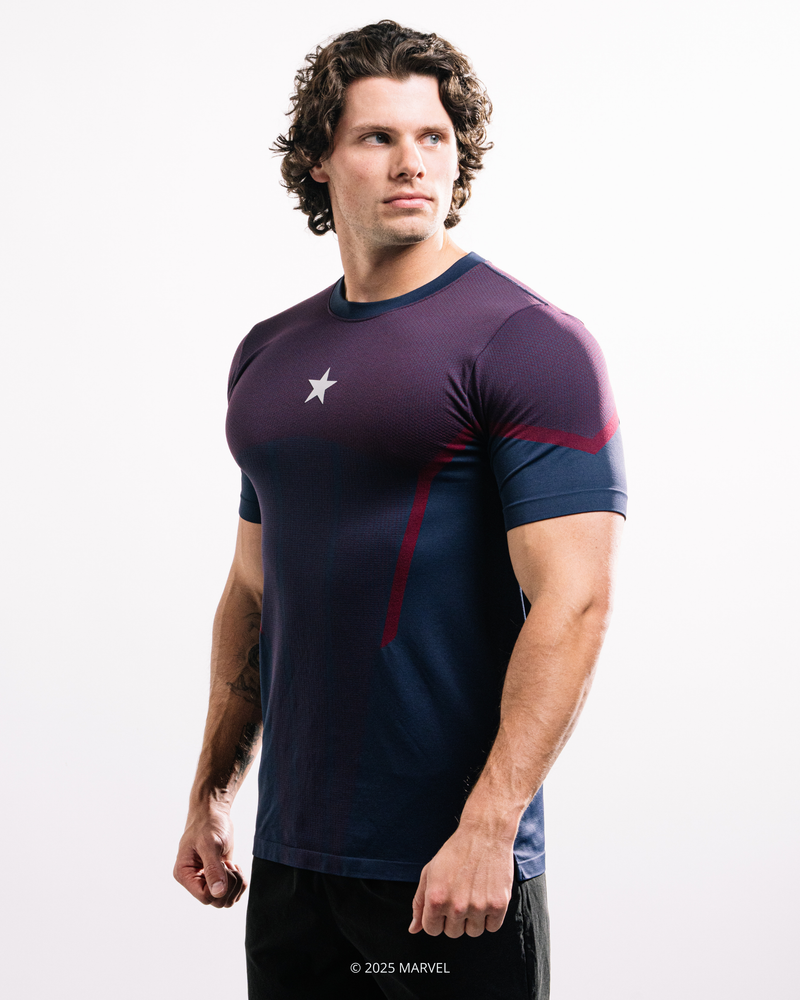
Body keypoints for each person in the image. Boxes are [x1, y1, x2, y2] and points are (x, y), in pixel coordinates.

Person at [174, 19, 626, 1000]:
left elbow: (576, 600)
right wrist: (211, 795)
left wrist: (489, 826)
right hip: (293, 868)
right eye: (377, 136)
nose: (411, 161)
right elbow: (253, 591)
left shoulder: (527, 342)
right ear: (319, 159)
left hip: (447, 873)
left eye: (433, 137)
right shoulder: (268, 354)